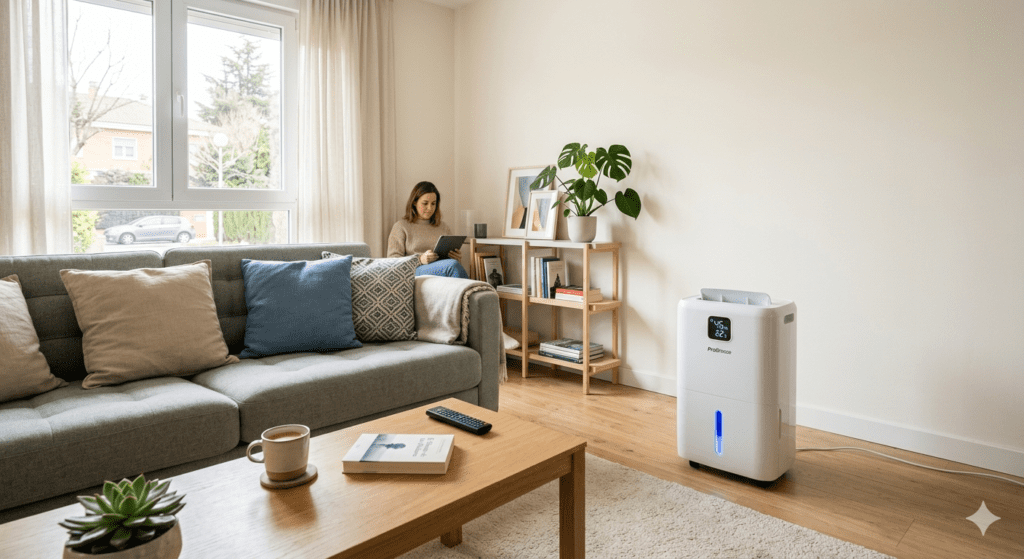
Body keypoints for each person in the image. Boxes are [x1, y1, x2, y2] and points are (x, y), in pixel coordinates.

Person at [387, 181, 469, 278]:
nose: (430, 208)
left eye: (433, 204)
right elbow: (392, 261)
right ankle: (470, 291)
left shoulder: (443, 227)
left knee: (454, 264)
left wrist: (456, 257)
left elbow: (451, 262)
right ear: (414, 202)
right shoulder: (400, 226)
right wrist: (420, 260)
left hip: (443, 268)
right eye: (425, 203)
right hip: (415, 270)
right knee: (452, 266)